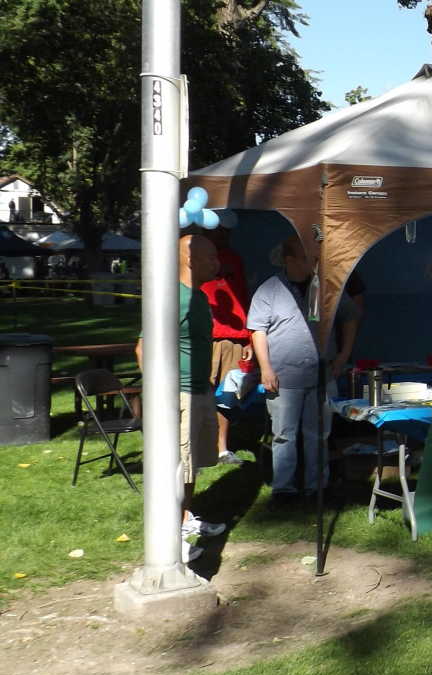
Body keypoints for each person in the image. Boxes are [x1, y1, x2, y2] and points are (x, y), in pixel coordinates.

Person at [135, 231, 226, 556]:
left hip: (200, 391)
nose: (217, 263)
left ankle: (185, 519)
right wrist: (163, 397)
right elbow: (143, 348)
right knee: (174, 466)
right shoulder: (173, 296)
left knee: (190, 464)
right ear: (190, 259)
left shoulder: (198, 296)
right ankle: (170, 541)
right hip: (179, 394)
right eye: (211, 257)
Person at [248, 234, 351, 504]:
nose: (314, 262)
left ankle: (317, 486)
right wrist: (265, 368)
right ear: (289, 260)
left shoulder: (326, 287)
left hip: (322, 374)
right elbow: (258, 330)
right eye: (307, 258)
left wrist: (343, 355)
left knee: (319, 434)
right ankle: (284, 489)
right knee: (284, 435)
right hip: (283, 376)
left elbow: (351, 316)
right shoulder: (269, 290)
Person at [199, 210, 251, 464]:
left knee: (227, 395)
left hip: (236, 337)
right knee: (200, 391)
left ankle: (222, 448)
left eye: (226, 232)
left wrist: (249, 337)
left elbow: (243, 297)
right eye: (219, 230)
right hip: (205, 336)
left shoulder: (234, 259)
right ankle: (197, 445)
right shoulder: (193, 259)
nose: (223, 236)